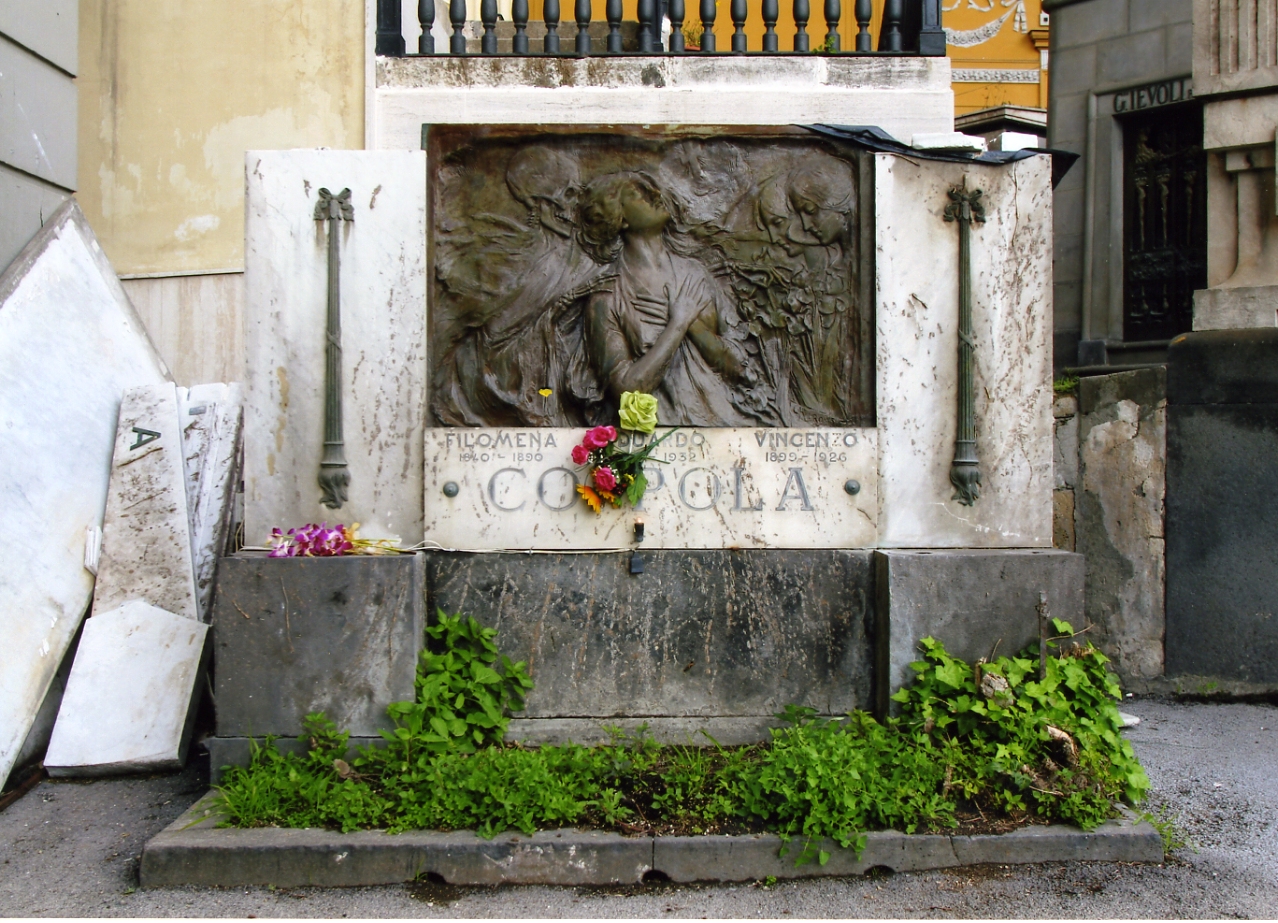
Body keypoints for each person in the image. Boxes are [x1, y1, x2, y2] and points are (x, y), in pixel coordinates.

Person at [576, 171, 760, 427]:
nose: (655, 196)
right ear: (620, 218)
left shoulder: (696, 273)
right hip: (656, 433)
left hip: (721, 424)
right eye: (637, 194)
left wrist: (694, 326)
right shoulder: (607, 295)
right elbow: (627, 392)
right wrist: (678, 324)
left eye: (652, 190)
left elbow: (741, 367)